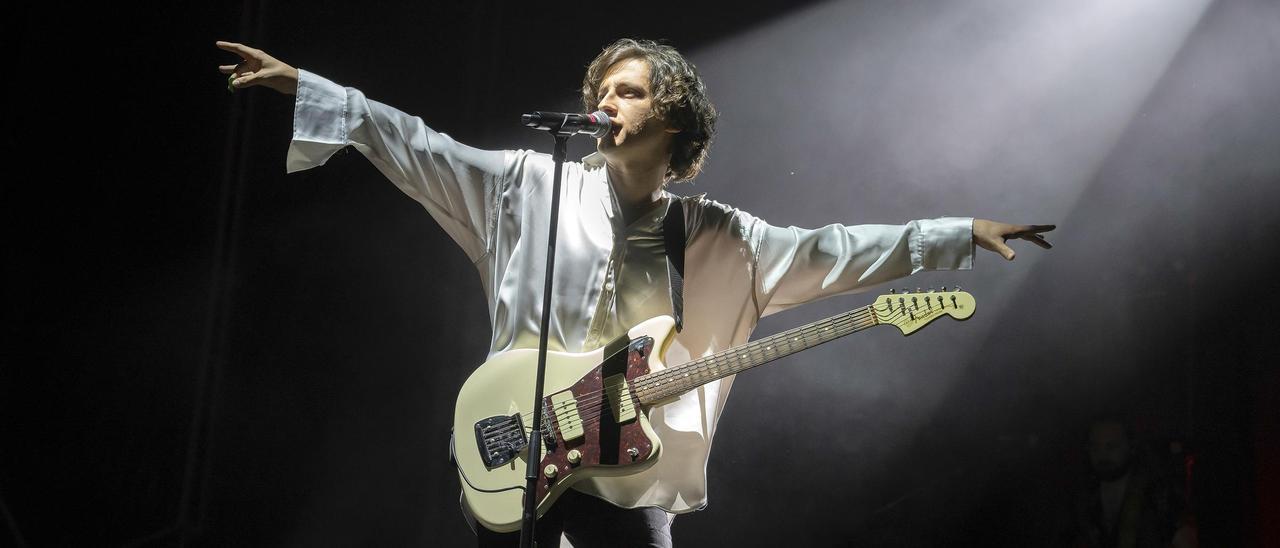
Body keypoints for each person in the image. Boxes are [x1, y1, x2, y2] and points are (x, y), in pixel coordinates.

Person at [215, 38, 1055, 547]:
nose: (604, 101)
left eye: (629, 89)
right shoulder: (527, 188)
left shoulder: (724, 238)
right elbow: (418, 146)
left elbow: (835, 252)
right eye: (601, 91)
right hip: (525, 443)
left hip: (631, 475)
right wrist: (317, 90)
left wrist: (956, 233)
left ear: (675, 118)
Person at [1059, 416, 1197, 548]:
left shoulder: (1158, 493)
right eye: (1095, 447)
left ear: (1131, 447)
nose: (1102, 455)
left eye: (1112, 446)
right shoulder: (1081, 495)